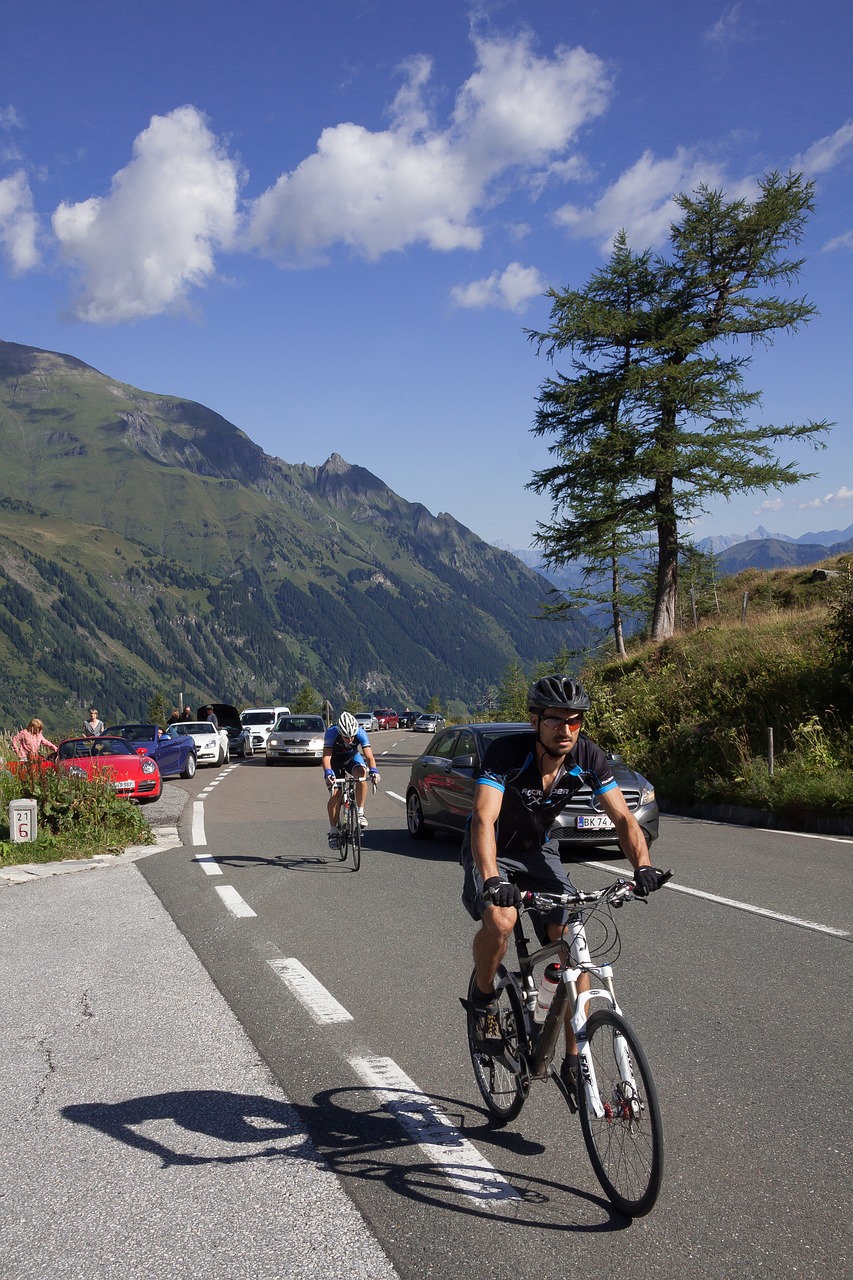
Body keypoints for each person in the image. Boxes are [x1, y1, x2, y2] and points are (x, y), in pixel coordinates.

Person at [461, 674, 668, 1107]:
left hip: (540, 851)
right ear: (535, 719)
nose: (567, 731)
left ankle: (577, 1056)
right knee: (501, 920)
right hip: (493, 850)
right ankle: (483, 1000)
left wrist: (642, 866)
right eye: (557, 721)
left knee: (575, 941)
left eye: (575, 722)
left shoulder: (588, 756)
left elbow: (624, 819)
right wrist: (493, 877)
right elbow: (483, 819)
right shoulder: (505, 754)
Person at [322, 711, 380, 849]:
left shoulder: (360, 733)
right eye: (347, 737)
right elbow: (326, 757)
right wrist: (328, 773)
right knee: (336, 794)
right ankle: (333, 831)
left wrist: (374, 771)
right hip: (334, 762)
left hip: (351, 759)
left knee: (361, 775)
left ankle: (360, 812)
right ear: (340, 732)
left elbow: (369, 757)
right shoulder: (331, 733)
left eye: (352, 736)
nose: (351, 740)